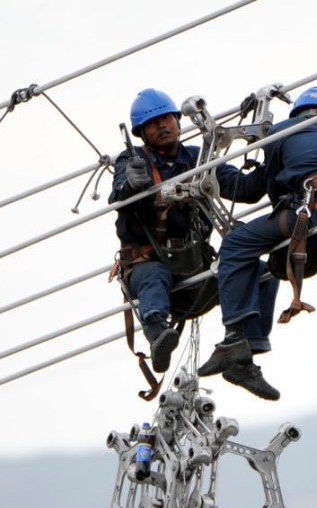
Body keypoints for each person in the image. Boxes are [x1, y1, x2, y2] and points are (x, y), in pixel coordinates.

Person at [198, 85, 317, 400]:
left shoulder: (286, 131)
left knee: (238, 245)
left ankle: (234, 339)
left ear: (296, 114)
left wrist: (210, 167)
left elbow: (260, 192)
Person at [110, 88, 278, 374]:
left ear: (177, 120)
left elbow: (246, 190)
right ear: (142, 132)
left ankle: (243, 353)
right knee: (154, 276)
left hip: (196, 266)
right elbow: (118, 196)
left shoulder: (198, 157)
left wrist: (272, 154)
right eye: (152, 123)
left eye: (167, 119)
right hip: (152, 264)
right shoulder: (133, 159)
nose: (162, 126)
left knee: (261, 272)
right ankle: (158, 336)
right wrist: (132, 185)